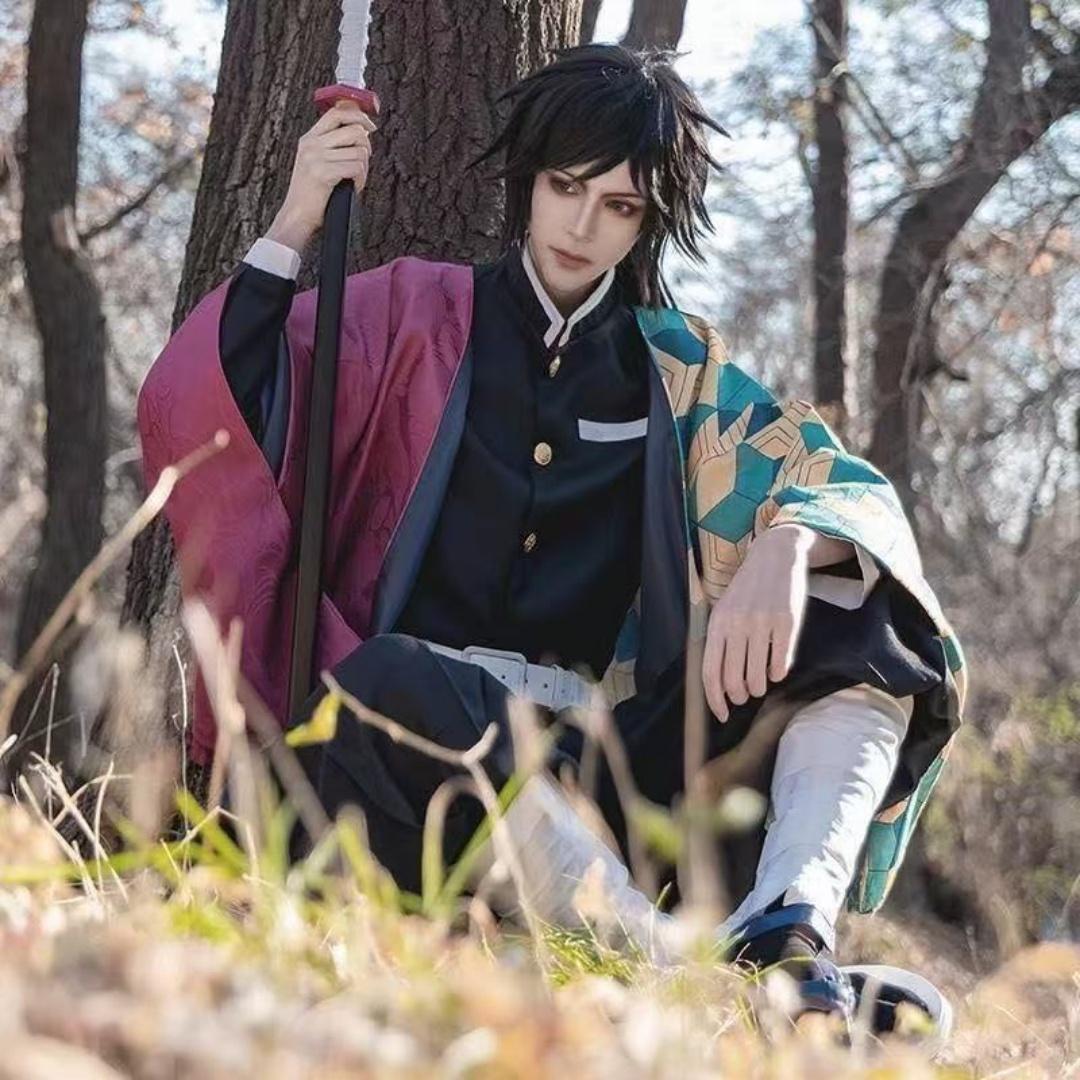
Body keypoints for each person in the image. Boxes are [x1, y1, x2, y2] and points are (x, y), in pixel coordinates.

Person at [137, 44, 967, 1039]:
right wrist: (296, 218)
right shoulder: (410, 312)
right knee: (390, 683)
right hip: (416, 762)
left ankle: (790, 936)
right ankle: (693, 977)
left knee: (864, 613)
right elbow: (213, 403)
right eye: (565, 187)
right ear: (525, 181)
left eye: (618, 205)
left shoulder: (678, 372)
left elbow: (844, 491)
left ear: (649, 220)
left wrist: (791, 543)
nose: (582, 225)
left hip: (603, 768)